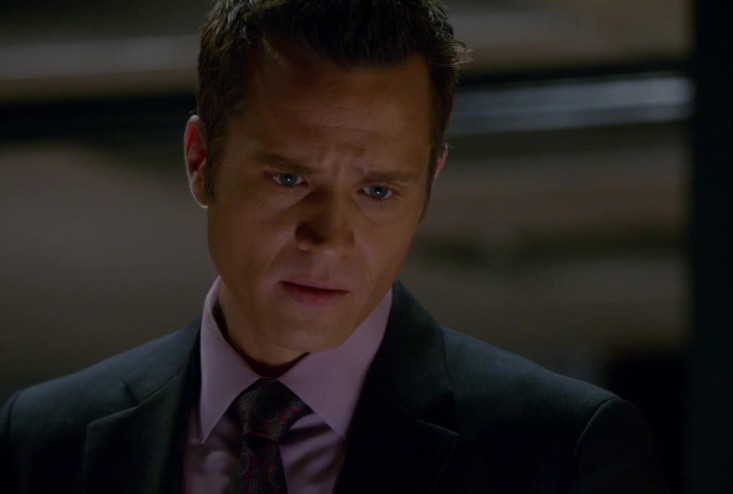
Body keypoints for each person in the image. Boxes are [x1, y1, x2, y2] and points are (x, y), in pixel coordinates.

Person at [0, 1, 668, 493]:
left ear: (429, 183)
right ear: (201, 160)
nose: (329, 239)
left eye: (377, 191)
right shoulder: (43, 443)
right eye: (289, 179)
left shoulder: (558, 452)